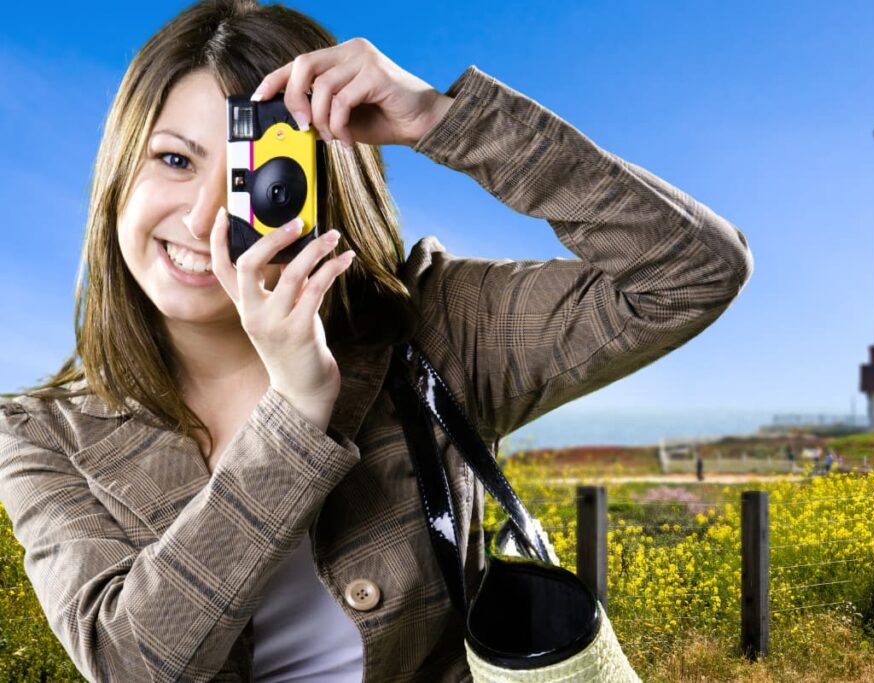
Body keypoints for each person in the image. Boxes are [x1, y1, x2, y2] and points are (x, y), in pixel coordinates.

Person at [0, 1, 753, 681]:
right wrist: (294, 415)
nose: (204, 219)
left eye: (249, 175)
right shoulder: (42, 434)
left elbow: (691, 273)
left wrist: (445, 119)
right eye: (174, 159)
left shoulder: (431, 327)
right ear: (118, 172)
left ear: (326, 182)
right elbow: (132, 664)